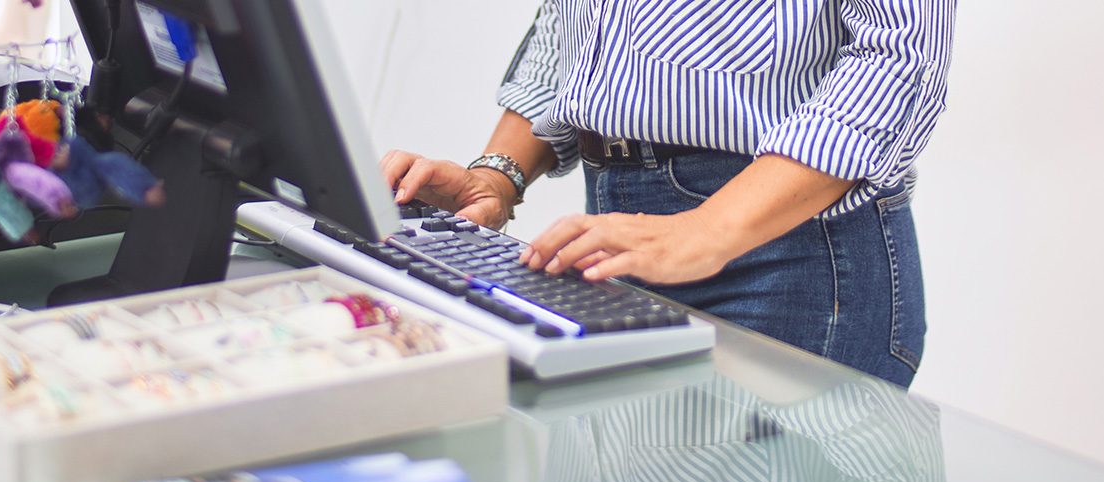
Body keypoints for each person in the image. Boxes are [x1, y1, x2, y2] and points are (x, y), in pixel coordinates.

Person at [380, 0, 955, 387]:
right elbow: (570, 26)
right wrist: (498, 176)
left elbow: (900, 58)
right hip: (614, 230)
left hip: (788, 257)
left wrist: (711, 227)